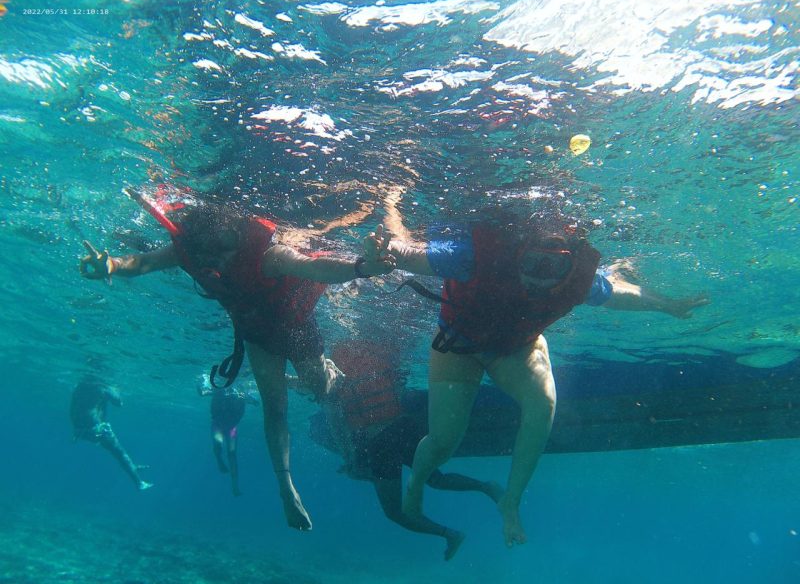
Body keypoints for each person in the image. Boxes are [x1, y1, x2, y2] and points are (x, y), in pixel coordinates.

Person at [365, 188, 709, 548]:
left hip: (517, 348)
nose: (540, 280)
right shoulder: (474, 256)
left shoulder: (578, 278)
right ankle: (417, 485)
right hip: (459, 346)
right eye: (532, 266)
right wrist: (384, 249)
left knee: (542, 403)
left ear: (567, 264)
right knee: (444, 441)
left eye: (553, 269)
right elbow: (410, 253)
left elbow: (622, 293)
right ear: (518, 255)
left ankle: (511, 502)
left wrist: (667, 305)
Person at [80, 192, 394, 531]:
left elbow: (314, 266)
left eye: (230, 247)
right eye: (218, 253)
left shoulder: (270, 254)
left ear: (237, 232)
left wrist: (362, 267)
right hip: (256, 332)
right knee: (274, 407)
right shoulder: (192, 250)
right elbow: (143, 262)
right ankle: (285, 487)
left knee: (321, 386)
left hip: (295, 326)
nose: (225, 261)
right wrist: (110, 265)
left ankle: (325, 376)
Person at [306, 340, 509, 561]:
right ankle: (486, 487)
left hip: (380, 443)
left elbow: (338, 423)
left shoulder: (333, 379)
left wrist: (350, 456)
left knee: (394, 512)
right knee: (436, 479)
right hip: (403, 428)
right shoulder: (375, 356)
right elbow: (400, 384)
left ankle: (450, 534)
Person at [70, 379, 153, 491]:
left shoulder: (80, 384)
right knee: (119, 453)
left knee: (119, 453)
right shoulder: (104, 387)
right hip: (95, 429)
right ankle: (139, 483)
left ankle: (131, 467)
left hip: (78, 429)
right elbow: (119, 403)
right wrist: (115, 390)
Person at [198, 377, 259, 497]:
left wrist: (247, 397)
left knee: (232, 454)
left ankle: (235, 486)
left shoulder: (241, 394)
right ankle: (219, 461)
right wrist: (200, 382)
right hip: (218, 425)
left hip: (231, 428)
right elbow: (202, 393)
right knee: (218, 446)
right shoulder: (219, 391)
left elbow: (256, 402)